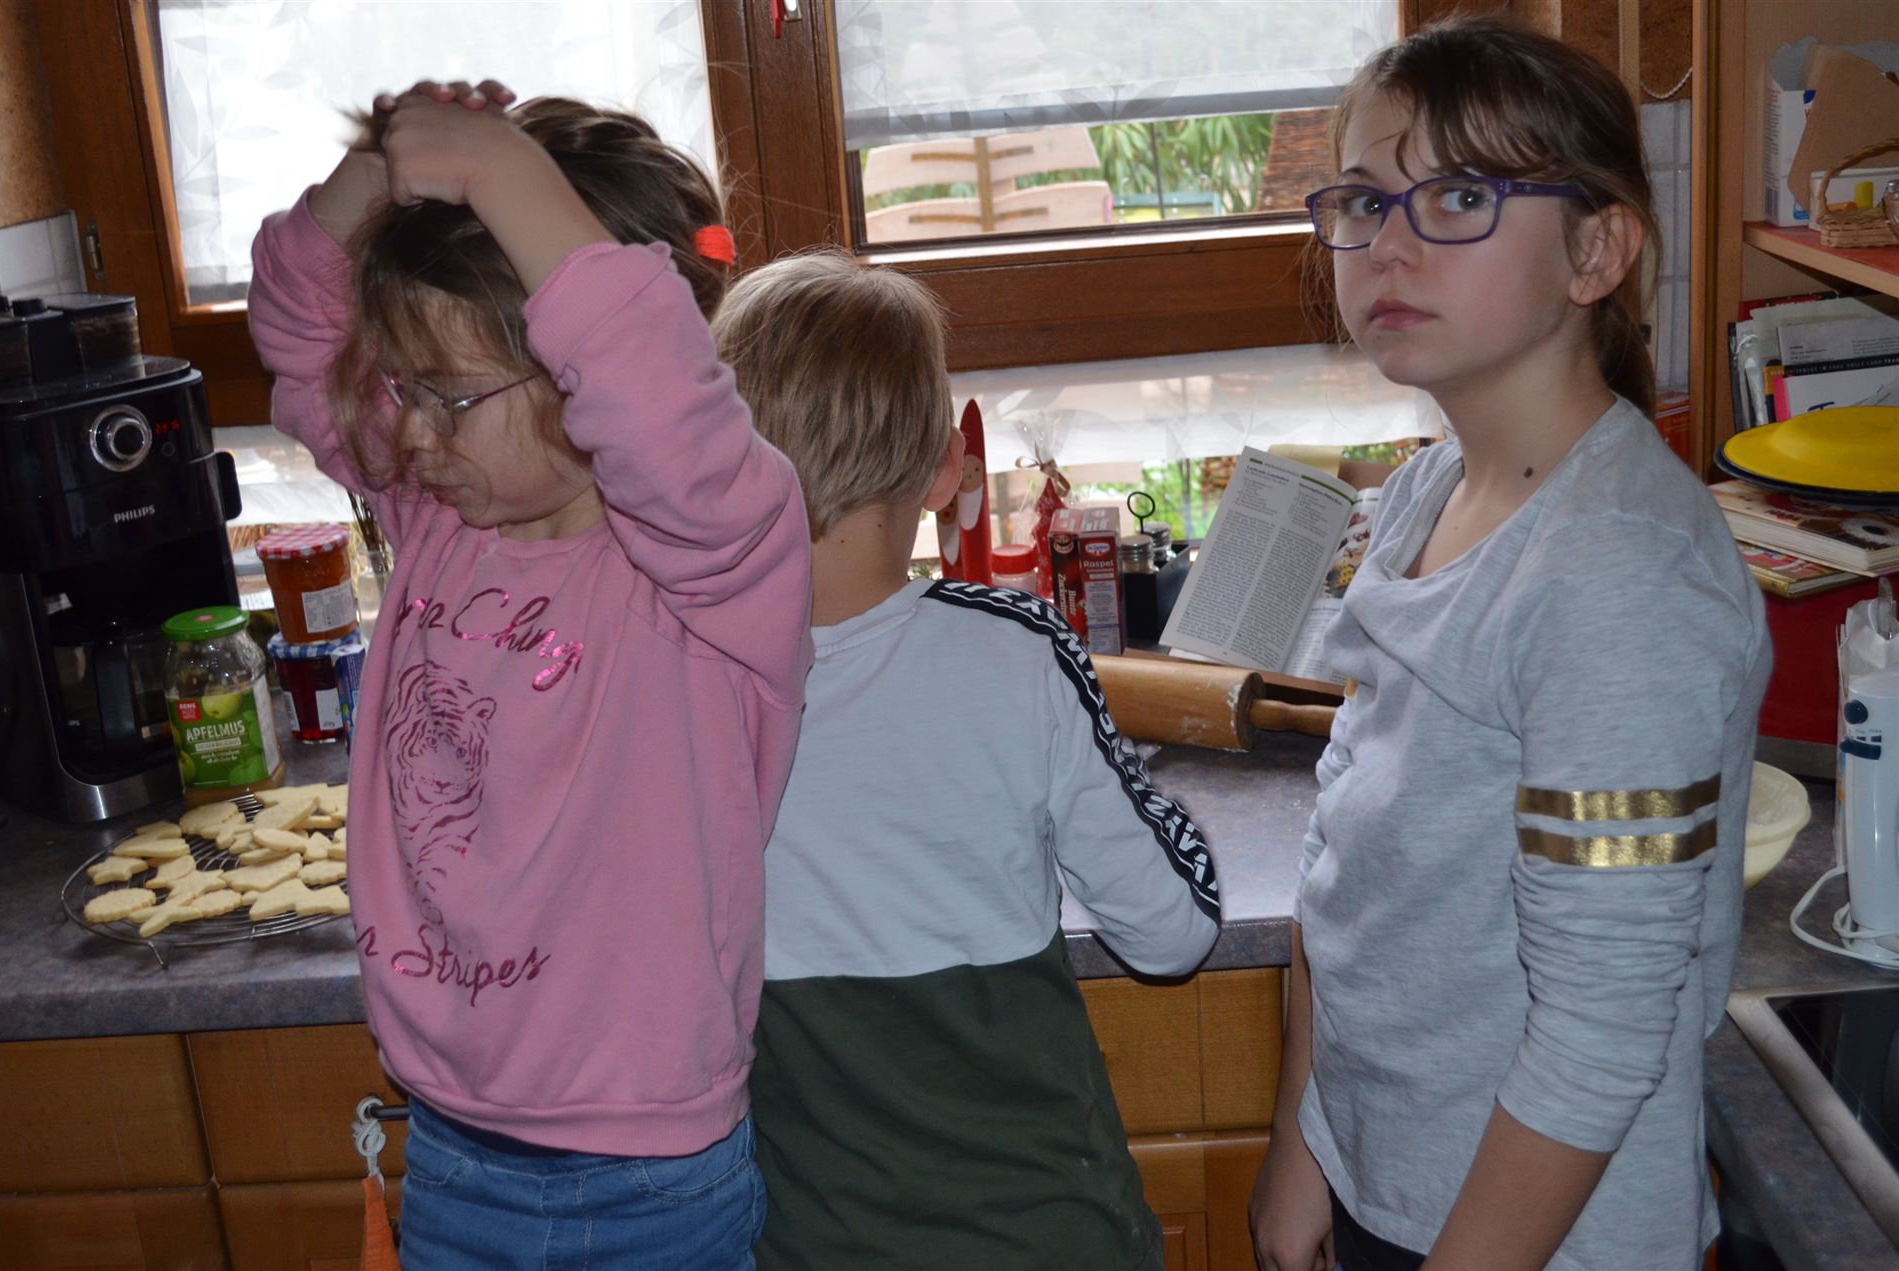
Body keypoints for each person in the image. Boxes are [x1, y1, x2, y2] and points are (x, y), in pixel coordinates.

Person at [247, 79, 812, 1268]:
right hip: (452, 1150)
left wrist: (503, 172)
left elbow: (657, 401)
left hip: (649, 1181)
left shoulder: (711, 564)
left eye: (448, 395)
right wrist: (380, 168)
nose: (411, 433)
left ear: (574, 373)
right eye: (401, 388)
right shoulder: (435, 513)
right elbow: (299, 328)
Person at [1246, 17, 1770, 1271]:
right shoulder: (1427, 492)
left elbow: (1601, 1024)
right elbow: (1344, 854)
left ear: (1597, 250)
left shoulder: (1619, 577)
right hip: (1391, 1186)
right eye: (1363, 201)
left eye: (1461, 197)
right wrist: (1307, 1142)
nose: (1390, 244)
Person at [712, 251, 1221, 1270]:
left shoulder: (685, 679)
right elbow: (1171, 932)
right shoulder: (1016, 648)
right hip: (1050, 1239)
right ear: (950, 469)